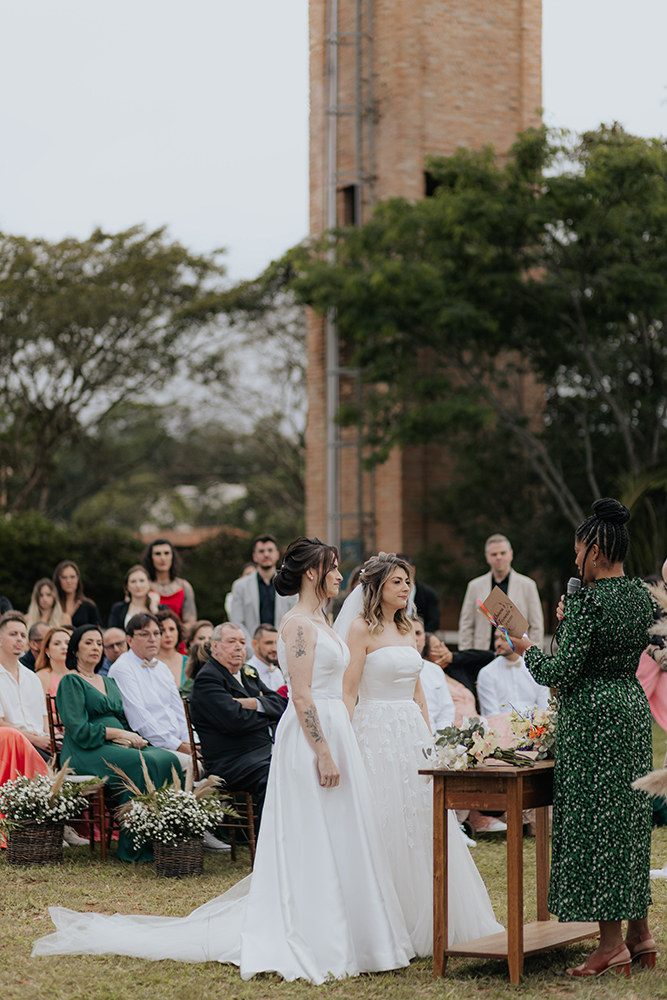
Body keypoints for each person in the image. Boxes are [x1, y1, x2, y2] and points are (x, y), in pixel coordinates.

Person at [33, 537, 416, 983]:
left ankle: (356, 930)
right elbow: (303, 693)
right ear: (312, 573)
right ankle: (315, 931)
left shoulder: (324, 619)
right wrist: (324, 750)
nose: (338, 575)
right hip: (313, 737)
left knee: (345, 829)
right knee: (313, 830)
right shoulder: (296, 625)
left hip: (337, 728)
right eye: (332, 568)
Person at [510, 498, 656, 977]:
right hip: (632, 711)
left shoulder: (586, 601)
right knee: (628, 822)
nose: (575, 562)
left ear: (594, 551)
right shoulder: (640, 595)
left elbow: (563, 671)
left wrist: (529, 646)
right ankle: (641, 936)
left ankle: (610, 945)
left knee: (597, 827)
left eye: (577, 553)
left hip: (594, 719)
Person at [337, 552, 503, 956]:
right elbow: (348, 689)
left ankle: (433, 917)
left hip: (411, 731)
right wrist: (343, 739)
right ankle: (381, 922)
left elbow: (418, 690)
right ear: (376, 587)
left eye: (407, 581)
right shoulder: (359, 629)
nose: (406, 588)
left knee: (421, 817)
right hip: (375, 728)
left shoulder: (407, 626)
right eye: (397, 582)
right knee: (383, 816)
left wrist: (429, 740)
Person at [53, 624, 183, 862]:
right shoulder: (70, 682)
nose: (95, 648)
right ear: (75, 650)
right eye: (88, 643)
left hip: (117, 743)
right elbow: (79, 730)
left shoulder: (108, 681)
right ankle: (135, 846)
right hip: (86, 750)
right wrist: (116, 734)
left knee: (167, 758)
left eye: (99, 643)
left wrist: (130, 736)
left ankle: (167, 838)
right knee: (140, 763)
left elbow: (124, 719)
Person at [189, 623, 287, 827]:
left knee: (294, 767)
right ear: (214, 647)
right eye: (231, 642)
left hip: (259, 755)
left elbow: (281, 703)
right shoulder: (208, 679)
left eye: (242, 642)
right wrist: (266, 712)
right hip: (231, 762)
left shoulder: (248, 672)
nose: (238, 647)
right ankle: (268, 850)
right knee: (274, 776)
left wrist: (252, 703)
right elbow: (235, 721)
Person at [108, 613, 195, 772]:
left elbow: (179, 711)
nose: (153, 639)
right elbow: (139, 719)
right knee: (194, 766)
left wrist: (190, 743)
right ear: (129, 640)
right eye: (144, 634)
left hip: (178, 742)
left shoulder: (161, 667)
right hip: (148, 745)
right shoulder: (122, 668)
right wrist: (178, 745)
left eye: (156, 633)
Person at [458, 534, 544, 650]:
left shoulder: (528, 585)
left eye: (503, 553)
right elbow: (466, 626)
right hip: (483, 654)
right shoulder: (475, 586)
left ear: (511, 554)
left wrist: (534, 656)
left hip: (516, 656)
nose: (498, 557)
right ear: (487, 557)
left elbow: (536, 626)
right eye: (494, 554)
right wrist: (466, 656)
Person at [0, 612, 51, 760]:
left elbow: (44, 717)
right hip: (13, 744)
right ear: (0, 639)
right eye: (13, 634)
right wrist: (34, 740)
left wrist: (50, 740)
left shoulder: (32, 677)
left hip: (41, 741)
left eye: (23, 635)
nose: (19, 639)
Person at [230, 535, 298, 643]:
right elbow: (237, 622)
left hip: (282, 646)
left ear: (277, 555)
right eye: (261, 551)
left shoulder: (290, 585)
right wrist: (252, 647)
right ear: (254, 556)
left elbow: (295, 620)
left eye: (270, 550)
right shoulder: (240, 586)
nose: (266, 554)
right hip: (251, 648)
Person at [477, 629, 550, 718]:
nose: (498, 643)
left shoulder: (535, 669)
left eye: (503, 639)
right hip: (502, 727)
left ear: (518, 639)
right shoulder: (487, 673)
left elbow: (545, 708)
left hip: (535, 727)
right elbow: (492, 715)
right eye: (496, 638)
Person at [412, 617, 455, 733]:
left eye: (418, 633)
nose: (414, 638)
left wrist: (440, 739)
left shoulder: (435, 670)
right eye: (409, 632)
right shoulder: (392, 671)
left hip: (435, 739)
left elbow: (446, 712)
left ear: (424, 639)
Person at [141, 539, 196, 628]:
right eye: (157, 554)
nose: (162, 558)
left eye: (166, 553)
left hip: (179, 638)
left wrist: (173, 635)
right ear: (150, 558)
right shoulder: (143, 586)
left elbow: (191, 623)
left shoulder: (184, 586)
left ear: (172, 556)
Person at [107, 565, 161, 629]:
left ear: (149, 584)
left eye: (142, 581)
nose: (138, 585)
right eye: (133, 581)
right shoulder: (118, 609)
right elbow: (113, 633)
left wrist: (154, 609)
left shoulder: (161, 609)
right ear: (127, 586)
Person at [397, 554, 441, 631]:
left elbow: (433, 622)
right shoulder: (386, 593)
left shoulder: (428, 594)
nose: (402, 573)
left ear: (413, 569)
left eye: (405, 568)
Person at [53, 561, 102, 628]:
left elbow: (97, 632)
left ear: (78, 579)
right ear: (58, 580)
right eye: (64, 577)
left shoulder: (89, 606)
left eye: (72, 577)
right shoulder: (52, 604)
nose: (69, 581)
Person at [35, 627, 72, 696]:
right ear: (47, 650)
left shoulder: (79, 675)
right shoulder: (41, 677)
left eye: (67, 643)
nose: (64, 647)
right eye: (57, 644)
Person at [247, 624, 285, 692]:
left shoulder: (278, 672)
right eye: (269, 643)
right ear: (255, 645)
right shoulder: (246, 672)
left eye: (277, 643)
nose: (274, 648)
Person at [156, 609, 188, 688]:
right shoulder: (148, 664)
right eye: (162, 630)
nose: (168, 635)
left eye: (172, 629)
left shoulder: (190, 662)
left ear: (178, 631)